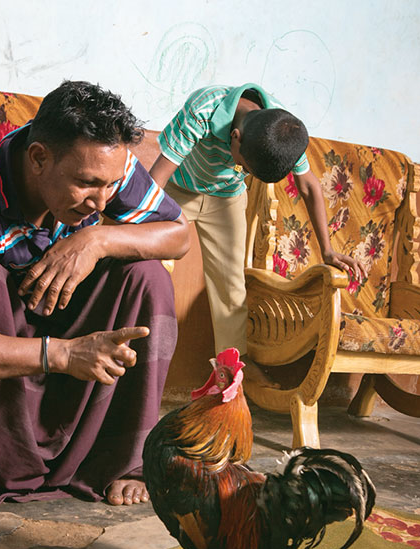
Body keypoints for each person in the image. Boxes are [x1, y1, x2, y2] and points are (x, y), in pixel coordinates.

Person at [0, 80, 190, 516]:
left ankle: (123, 461)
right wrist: (63, 354)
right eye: (86, 184)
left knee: (148, 278)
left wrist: (97, 240)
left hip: (65, 308)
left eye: (111, 186)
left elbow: (180, 235)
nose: (101, 200)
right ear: (38, 158)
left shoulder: (105, 165)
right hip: (3, 327)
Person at [149, 83, 365, 385]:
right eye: (243, 165)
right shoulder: (203, 109)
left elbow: (309, 186)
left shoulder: (281, 128)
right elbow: (158, 176)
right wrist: (137, 230)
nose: (241, 170)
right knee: (150, 270)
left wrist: (327, 250)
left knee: (231, 287)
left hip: (226, 198)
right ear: (234, 137)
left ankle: (231, 369)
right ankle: (137, 358)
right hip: (178, 191)